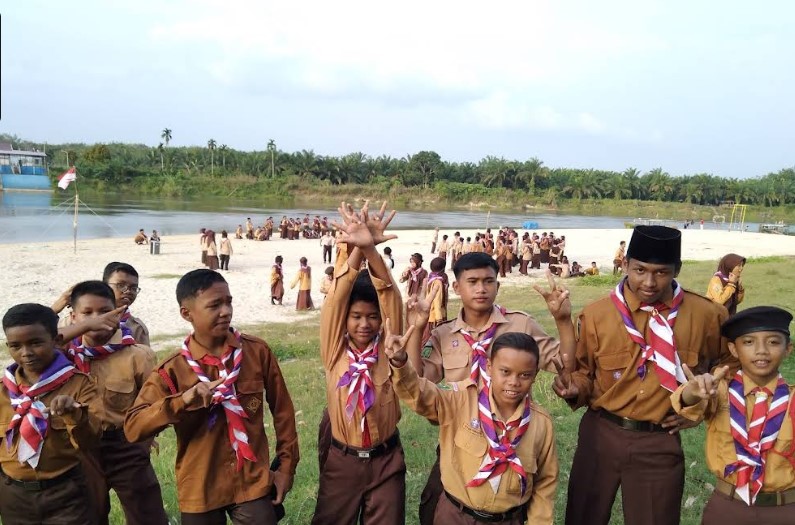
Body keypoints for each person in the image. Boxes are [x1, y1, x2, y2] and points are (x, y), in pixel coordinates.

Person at [553, 225, 736, 525]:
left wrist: (701, 408)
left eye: (661, 272)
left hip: (659, 440)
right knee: (584, 515)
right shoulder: (597, 315)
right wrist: (575, 389)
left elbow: (731, 367)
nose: (649, 282)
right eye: (639, 270)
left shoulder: (708, 316)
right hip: (601, 435)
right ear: (625, 264)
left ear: (677, 269)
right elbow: (585, 374)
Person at [124, 269, 298, 524]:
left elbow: (283, 412)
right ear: (187, 313)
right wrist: (182, 401)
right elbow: (133, 427)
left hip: (251, 480)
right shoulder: (172, 370)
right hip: (200, 486)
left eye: (228, 302)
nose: (226, 311)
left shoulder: (256, 352)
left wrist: (286, 468)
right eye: (215, 305)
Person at [411, 252, 571, 524]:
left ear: (497, 284)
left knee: (508, 511)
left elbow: (564, 364)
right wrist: (417, 329)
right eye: (472, 281)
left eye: (488, 281)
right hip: (459, 443)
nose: (481, 289)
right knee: (438, 508)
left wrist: (563, 322)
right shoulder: (443, 334)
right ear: (456, 286)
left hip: (512, 441)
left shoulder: (521, 324)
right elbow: (417, 381)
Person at [388, 331, 560, 524]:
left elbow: (545, 482)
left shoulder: (541, 424)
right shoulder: (460, 401)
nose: (514, 382)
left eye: (525, 375)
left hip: (508, 519)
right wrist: (400, 363)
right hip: (455, 516)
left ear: (535, 374)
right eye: (505, 372)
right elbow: (421, 395)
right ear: (489, 367)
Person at [311, 201, 406, 525]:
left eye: (372, 317)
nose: (364, 324)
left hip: (386, 460)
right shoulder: (334, 351)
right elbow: (336, 299)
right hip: (343, 459)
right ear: (345, 320)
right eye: (356, 317)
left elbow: (390, 297)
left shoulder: (389, 349)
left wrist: (372, 253)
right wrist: (356, 252)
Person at [671, 306, 794, 524]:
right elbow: (685, 402)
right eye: (749, 342)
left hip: (785, 510)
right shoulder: (718, 392)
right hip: (728, 508)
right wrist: (693, 391)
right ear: (734, 349)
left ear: (788, 349)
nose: (761, 350)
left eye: (773, 342)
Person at [63, 281, 167, 525]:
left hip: (125, 445)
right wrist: (80, 325)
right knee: (89, 514)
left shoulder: (137, 355)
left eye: (104, 311)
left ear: (118, 313)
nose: (97, 319)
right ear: (73, 317)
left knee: (146, 514)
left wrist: (142, 443)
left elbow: (155, 405)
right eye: (87, 313)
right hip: (81, 448)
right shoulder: (64, 355)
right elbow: (39, 337)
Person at [0, 303, 102, 525]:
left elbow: (91, 442)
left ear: (56, 340)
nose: (26, 353)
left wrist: (74, 415)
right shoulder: (2, 391)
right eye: (15, 346)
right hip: (13, 495)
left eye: (35, 343)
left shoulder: (79, 385)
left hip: (66, 492)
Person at [52, 262, 151, 346]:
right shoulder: (74, 320)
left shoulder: (137, 328)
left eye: (133, 288)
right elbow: (48, 341)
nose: (128, 291)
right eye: (121, 285)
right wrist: (55, 309)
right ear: (104, 284)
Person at [400, 253, 428, 320]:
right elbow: (401, 280)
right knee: (408, 312)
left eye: (413, 262)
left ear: (419, 262)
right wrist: (404, 273)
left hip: (418, 296)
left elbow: (425, 284)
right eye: (411, 262)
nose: (412, 264)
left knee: (417, 313)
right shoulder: (410, 271)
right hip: (409, 295)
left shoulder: (424, 272)